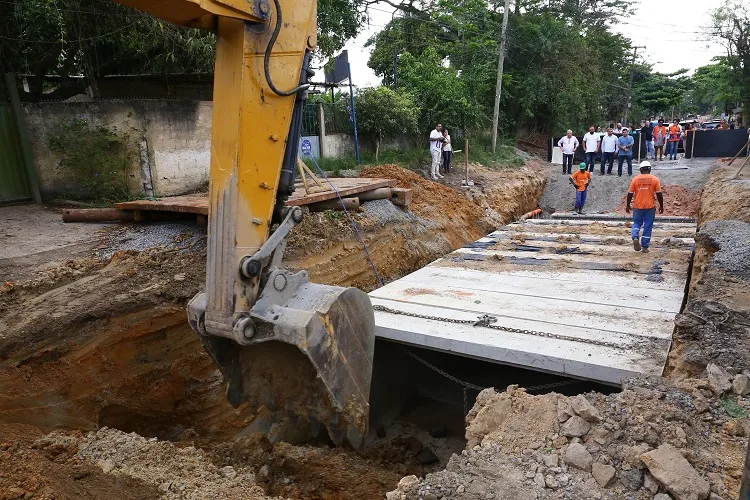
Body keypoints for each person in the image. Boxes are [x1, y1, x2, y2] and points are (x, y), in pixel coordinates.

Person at [626, 161, 664, 253]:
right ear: (649, 169)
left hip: (637, 206)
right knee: (648, 225)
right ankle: (645, 247)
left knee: (637, 223)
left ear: (640, 169)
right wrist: (661, 206)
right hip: (650, 206)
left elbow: (630, 194)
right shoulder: (655, 179)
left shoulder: (635, 179)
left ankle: (635, 236)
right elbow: (659, 194)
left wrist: (628, 205)